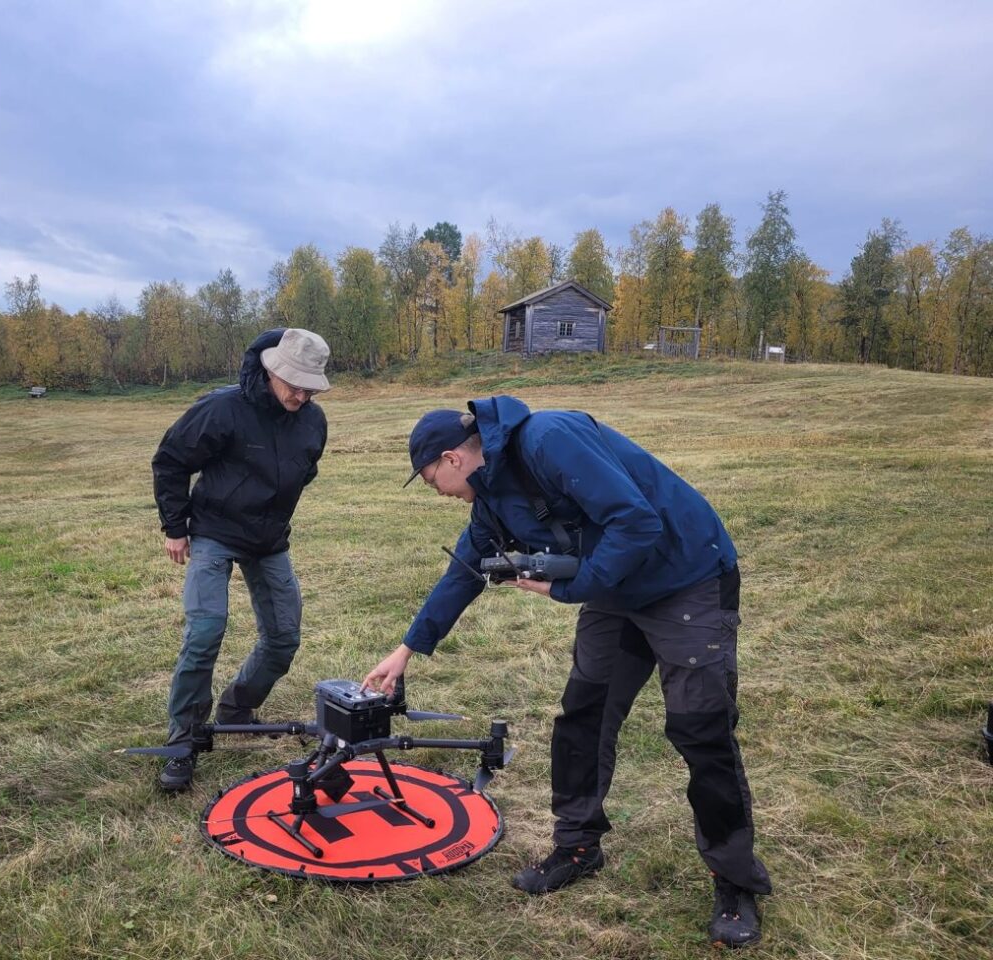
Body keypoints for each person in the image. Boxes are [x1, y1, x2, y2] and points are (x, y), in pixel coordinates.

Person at [362, 396, 771, 949]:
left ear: (454, 458)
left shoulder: (549, 439)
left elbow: (637, 522)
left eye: (431, 477)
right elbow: (464, 572)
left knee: (700, 730)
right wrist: (407, 649)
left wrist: (568, 589)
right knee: (583, 715)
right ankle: (578, 845)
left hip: (686, 578)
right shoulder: (491, 497)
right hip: (615, 590)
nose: (435, 489)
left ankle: (734, 880)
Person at [151, 327, 329, 792]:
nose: (301, 393)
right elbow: (170, 460)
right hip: (213, 532)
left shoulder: (313, 422)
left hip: (269, 541)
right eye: (293, 382)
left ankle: (238, 708)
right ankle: (183, 740)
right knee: (206, 629)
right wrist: (175, 526)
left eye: (310, 385)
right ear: (271, 370)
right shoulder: (222, 408)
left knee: (284, 637)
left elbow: (304, 471)